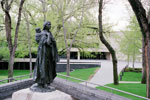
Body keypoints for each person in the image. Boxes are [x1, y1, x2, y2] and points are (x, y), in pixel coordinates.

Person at [33, 21, 59, 88]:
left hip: (49, 53)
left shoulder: (49, 33)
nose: (50, 25)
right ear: (45, 25)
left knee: (49, 67)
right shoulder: (43, 33)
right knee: (43, 67)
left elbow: (52, 42)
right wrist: (48, 36)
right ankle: (42, 82)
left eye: (50, 24)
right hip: (43, 54)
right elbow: (47, 43)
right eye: (48, 24)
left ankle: (47, 82)